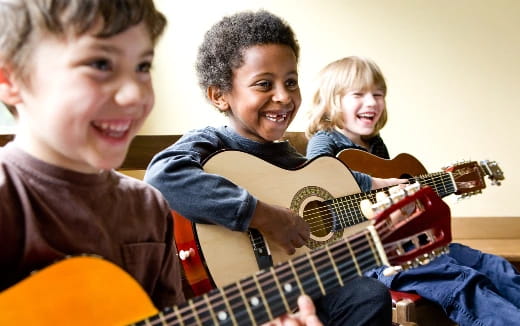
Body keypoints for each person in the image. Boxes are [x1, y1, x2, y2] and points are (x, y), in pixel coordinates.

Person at [0, 1, 320, 325]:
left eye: (142, 67)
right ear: (11, 80)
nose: (134, 95)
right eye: (100, 64)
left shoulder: (148, 207)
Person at [145, 10, 392, 326]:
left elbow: (334, 180)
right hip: (237, 295)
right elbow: (163, 175)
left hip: (299, 281)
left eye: (291, 82)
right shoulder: (212, 143)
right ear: (219, 95)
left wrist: (387, 186)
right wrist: (264, 216)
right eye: (264, 84)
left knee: (369, 294)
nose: (283, 96)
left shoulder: (287, 155)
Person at [305, 55, 520, 326]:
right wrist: (375, 184)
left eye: (378, 94)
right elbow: (316, 176)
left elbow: (396, 203)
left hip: (411, 245)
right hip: (373, 259)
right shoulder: (325, 139)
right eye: (358, 94)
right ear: (330, 101)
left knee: (494, 266)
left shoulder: (375, 145)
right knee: (462, 283)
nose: (372, 102)